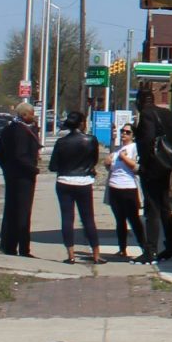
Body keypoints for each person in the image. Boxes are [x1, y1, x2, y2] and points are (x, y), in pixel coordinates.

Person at [132, 88, 172, 262]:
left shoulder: (147, 115)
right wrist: (169, 154)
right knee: (164, 207)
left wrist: (147, 163)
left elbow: (148, 140)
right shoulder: (166, 113)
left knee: (152, 208)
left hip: (152, 169)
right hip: (166, 167)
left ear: (139, 101)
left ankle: (150, 251)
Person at [48, 110, 103, 264]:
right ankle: (96, 254)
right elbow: (94, 160)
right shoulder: (91, 140)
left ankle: (71, 255)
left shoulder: (61, 142)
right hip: (84, 182)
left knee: (67, 218)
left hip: (64, 181)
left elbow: (53, 166)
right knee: (88, 219)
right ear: (82, 124)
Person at [0, 102, 41, 257]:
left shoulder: (8, 129)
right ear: (24, 115)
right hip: (23, 177)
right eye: (32, 113)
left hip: (11, 176)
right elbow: (20, 156)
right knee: (23, 213)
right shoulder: (21, 131)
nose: (34, 116)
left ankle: (8, 245)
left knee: (11, 211)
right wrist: (33, 169)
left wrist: (7, 169)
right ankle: (23, 249)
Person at [105, 135, 145, 262]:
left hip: (129, 188)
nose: (124, 134)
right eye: (123, 131)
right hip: (114, 187)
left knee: (134, 220)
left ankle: (145, 248)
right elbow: (111, 168)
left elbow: (137, 167)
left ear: (133, 135)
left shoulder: (135, 148)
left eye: (127, 132)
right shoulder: (118, 149)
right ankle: (122, 249)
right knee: (119, 220)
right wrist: (107, 162)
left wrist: (123, 157)